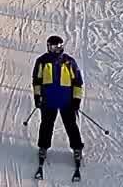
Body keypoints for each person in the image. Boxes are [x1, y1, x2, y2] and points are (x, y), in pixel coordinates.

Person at [33, 35, 85, 174]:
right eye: (55, 47)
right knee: (46, 125)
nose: (58, 49)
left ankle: (77, 148)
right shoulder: (42, 62)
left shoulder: (69, 62)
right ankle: (43, 147)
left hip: (66, 102)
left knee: (71, 126)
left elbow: (77, 83)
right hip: (48, 101)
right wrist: (37, 96)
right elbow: (37, 81)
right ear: (49, 47)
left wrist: (76, 100)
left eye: (60, 46)